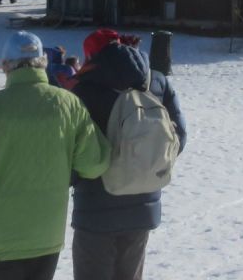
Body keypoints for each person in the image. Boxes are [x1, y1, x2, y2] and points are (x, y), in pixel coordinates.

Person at [0, 31, 110, 279]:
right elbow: (93, 163)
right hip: (45, 233)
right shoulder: (68, 104)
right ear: (43, 62)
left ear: (6, 65)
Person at [70, 29, 186, 279]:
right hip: (143, 206)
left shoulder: (83, 90)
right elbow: (179, 136)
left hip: (95, 210)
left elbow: (70, 151)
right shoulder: (156, 82)